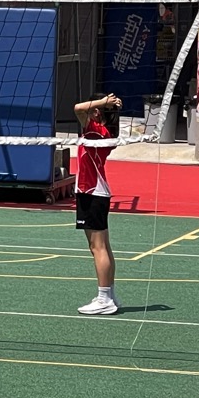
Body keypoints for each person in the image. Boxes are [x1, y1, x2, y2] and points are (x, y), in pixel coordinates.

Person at [73, 92, 122, 317]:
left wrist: (104, 103)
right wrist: (108, 105)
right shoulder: (105, 132)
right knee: (103, 247)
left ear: (96, 111)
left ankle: (104, 299)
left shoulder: (93, 129)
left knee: (97, 247)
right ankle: (109, 294)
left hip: (91, 192)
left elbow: (77, 108)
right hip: (96, 192)